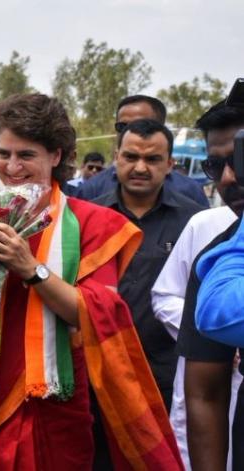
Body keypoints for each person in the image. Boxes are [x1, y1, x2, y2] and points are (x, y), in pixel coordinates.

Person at [0, 93, 181, 470]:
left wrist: (31, 268)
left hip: (56, 401)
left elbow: (93, 313)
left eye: (26, 155)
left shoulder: (90, 222)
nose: (11, 167)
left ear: (56, 156)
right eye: (3, 153)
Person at [93, 119, 204, 410]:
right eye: (131, 157)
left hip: (164, 374)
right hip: (97, 371)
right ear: (116, 158)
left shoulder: (194, 222)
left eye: (152, 159)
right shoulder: (88, 216)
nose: (140, 168)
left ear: (169, 164)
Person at [175, 101, 244, 471]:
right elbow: (205, 393)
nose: (229, 178)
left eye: (241, 158)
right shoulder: (217, 261)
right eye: (216, 165)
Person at [75, 95, 209, 207]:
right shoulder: (90, 191)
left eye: (141, 126)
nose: (130, 132)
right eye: (122, 126)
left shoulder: (190, 192)